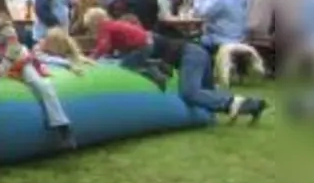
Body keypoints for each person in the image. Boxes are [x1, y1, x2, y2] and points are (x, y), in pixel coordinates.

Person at [84, 8, 269, 121]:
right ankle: (252, 106)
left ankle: (232, 102)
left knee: (189, 93)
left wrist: (93, 58)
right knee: (207, 95)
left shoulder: (137, 38)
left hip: (190, 55)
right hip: (197, 52)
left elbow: (112, 48)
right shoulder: (137, 36)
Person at [0, 0, 76, 148]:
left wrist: (5, 66)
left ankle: (62, 126)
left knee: (42, 85)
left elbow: (14, 46)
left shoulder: (4, 22)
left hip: (17, 60)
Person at [83, 9, 169, 90]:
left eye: (90, 27)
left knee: (126, 65)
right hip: (145, 42)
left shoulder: (104, 28)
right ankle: (158, 63)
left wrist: (92, 58)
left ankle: (157, 76)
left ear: (95, 23)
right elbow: (111, 44)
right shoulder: (111, 24)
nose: (91, 30)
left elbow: (103, 45)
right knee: (135, 60)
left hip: (140, 46)